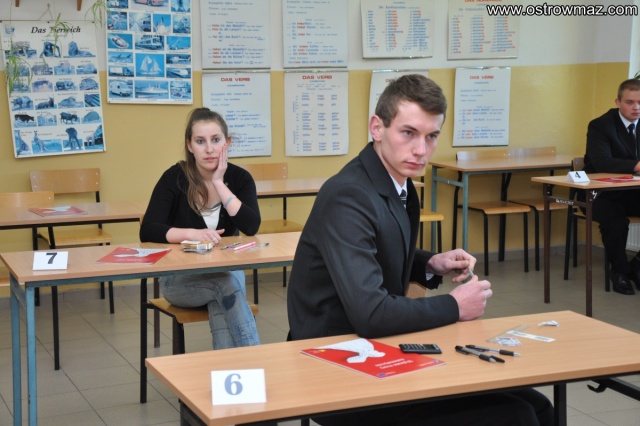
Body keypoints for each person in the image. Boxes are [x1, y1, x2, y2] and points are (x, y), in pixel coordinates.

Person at [287, 74, 553, 425]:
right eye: (408, 133)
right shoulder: (348, 195)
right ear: (377, 128)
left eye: (431, 136)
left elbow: (374, 249)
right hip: (334, 359)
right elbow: (372, 313)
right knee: (516, 415)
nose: (421, 150)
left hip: (377, 345)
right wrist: (455, 306)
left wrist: (429, 263)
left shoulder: (395, 180)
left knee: (537, 405)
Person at [140, 107, 261, 349]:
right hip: (179, 279)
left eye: (216, 140)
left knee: (223, 294)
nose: (209, 149)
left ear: (227, 143)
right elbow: (148, 230)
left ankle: (227, 370)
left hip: (225, 271)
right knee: (227, 285)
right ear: (189, 145)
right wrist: (191, 234)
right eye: (200, 141)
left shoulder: (240, 178)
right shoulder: (174, 178)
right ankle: (256, 359)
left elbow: (251, 226)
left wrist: (219, 183)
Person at [584, 78, 640, 295]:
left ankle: (636, 265)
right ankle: (619, 272)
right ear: (618, 102)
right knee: (616, 221)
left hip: (633, 192)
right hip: (600, 194)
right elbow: (602, 162)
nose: (636, 107)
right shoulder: (601, 125)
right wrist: (636, 166)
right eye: (630, 102)